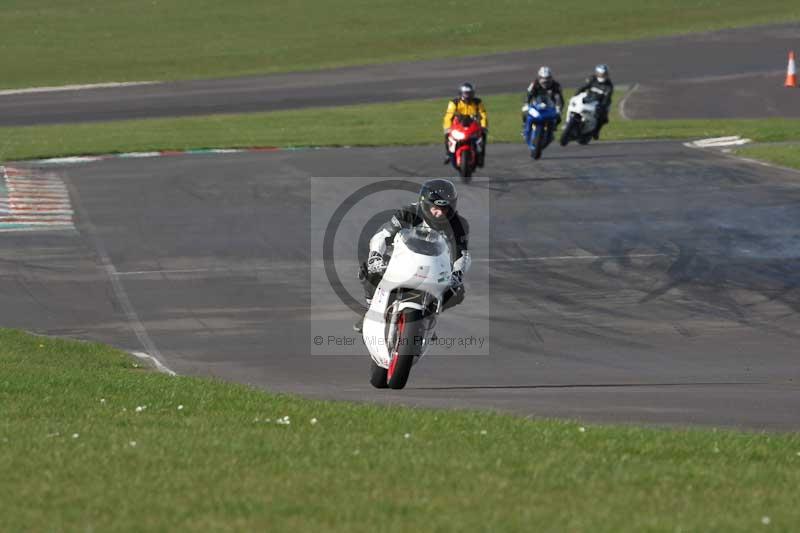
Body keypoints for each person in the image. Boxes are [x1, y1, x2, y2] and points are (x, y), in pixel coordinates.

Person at [354, 179, 471, 332]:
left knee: (457, 292)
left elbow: (462, 254)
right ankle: (370, 310)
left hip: (437, 266)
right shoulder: (408, 213)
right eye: (436, 208)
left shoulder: (458, 224)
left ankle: (426, 319)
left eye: (445, 208)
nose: (440, 213)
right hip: (402, 260)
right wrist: (375, 256)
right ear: (425, 204)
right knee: (367, 271)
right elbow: (383, 236)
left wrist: (458, 273)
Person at [442, 83, 488, 167]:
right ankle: (448, 153)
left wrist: (483, 126)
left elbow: (483, 114)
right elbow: (448, 115)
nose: (468, 95)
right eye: (465, 93)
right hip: (458, 125)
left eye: (469, 93)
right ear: (461, 93)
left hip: (473, 124)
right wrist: (447, 128)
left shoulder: (478, 102)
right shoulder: (454, 102)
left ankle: (481, 156)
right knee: (447, 136)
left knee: (483, 136)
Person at [576, 64, 614, 139]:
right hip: (590, 98)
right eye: (600, 74)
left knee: (603, 117)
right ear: (597, 73)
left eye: (604, 74)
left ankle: (596, 131)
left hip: (602, 102)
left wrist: (602, 106)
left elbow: (607, 98)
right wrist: (577, 93)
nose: (602, 76)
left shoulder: (609, 85)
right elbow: (584, 86)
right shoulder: (592, 79)